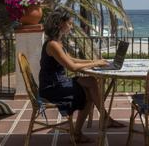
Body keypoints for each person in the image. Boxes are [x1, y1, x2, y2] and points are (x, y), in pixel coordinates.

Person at [39, 10, 124, 143]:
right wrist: (96, 63)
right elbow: (72, 67)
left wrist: (96, 62)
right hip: (52, 87)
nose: (71, 27)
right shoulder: (53, 45)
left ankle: (103, 119)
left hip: (59, 82)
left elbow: (72, 59)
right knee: (88, 94)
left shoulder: (57, 42)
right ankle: (83, 130)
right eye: (70, 24)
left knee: (90, 81)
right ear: (61, 24)